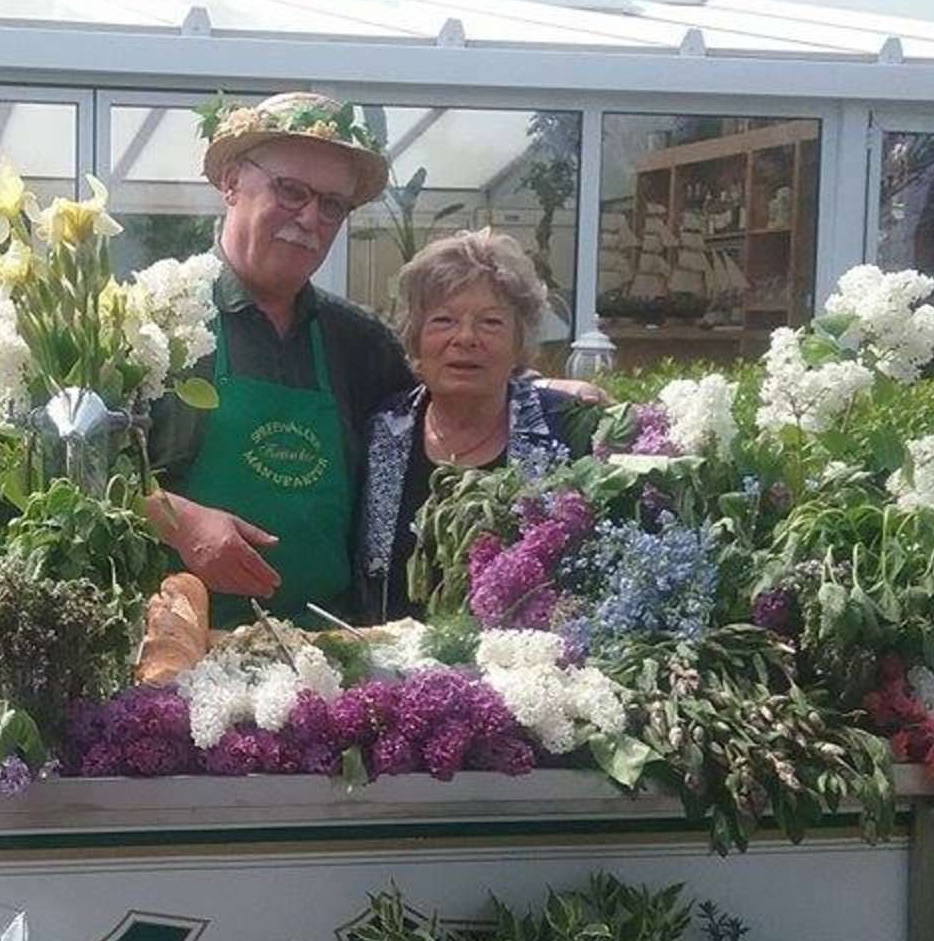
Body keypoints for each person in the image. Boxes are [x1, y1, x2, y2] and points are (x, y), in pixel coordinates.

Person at [144, 92, 411, 627]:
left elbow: (437, 420)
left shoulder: (360, 343)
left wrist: (534, 394)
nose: (311, 217)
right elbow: (75, 471)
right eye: (290, 191)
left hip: (330, 649)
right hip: (174, 656)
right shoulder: (153, 320)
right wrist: (178, 521)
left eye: (333, 204)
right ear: (231, 184)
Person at [355, 228, 599, 622]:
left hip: (527, 672)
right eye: (444, 320)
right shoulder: (381, 430)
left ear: (519, 342)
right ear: (416, 338)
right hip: (387, 669)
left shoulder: (566, 430)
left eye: (490, 323)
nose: (465, 338)